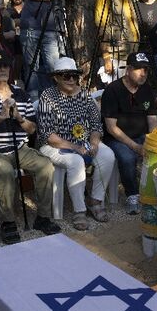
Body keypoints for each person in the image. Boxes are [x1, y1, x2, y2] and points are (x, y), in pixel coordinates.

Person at [0, 49, 60, 244]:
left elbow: (31, 128)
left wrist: (19, 118)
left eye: (5, 66)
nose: (3, 69)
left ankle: (43, 218)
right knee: (4, 170)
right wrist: (1, 116)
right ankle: (8, 222)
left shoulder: (20, 93)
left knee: (45, 166)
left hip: (19, 148)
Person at [38, 57, 116, 230]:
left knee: (107, 155)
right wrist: (75, 148)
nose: (71, 79)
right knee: (76, 161)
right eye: (66, 76)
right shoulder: (48, 96)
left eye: (74, 76)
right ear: (56, 77)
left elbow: (96, 125)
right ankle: (79, 211)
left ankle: (95, 200)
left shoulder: (85, 95)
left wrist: (94, 143)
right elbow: (47, 134)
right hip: (55, 145)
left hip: (83, 141)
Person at [101, 52, 157, 214]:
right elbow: (111, 128)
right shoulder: (113, 90)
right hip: (116, 138)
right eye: (139, 69)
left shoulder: (146, 89)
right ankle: (132, 194)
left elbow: (153, 119)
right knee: (128, 157)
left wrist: (154, 139)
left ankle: (154, 192)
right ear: (128, 70)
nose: (143, 73)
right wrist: (135, 146)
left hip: (142, 135)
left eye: (146, 70)